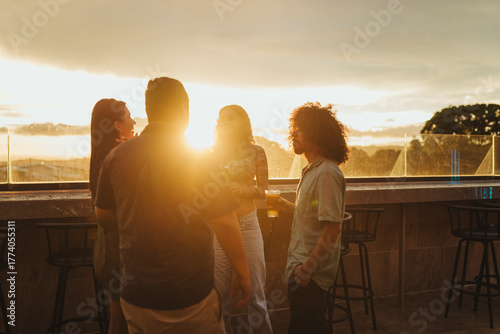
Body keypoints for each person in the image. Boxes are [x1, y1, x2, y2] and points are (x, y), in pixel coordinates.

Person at [94, 77, 251, 334]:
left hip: (135, 297)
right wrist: (243, 272)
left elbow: (103, 212)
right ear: (183, 111)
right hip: (188, 296)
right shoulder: (198, 158)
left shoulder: (117, 157)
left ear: (148, 111)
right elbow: (223, 219)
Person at [277, 102, 349, 334]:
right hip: (301, 267)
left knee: (304, 326)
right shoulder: (313, 169)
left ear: (316, 133)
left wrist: (307, 268)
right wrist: (289, 207)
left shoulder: (326, 173)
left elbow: (332, 230)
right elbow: (314, 212)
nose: (293, 133)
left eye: (300, 128)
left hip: (310, 274)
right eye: (294, 128)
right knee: (310, 325)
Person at [213, 105, 273, 334]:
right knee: (218, 296)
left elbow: (265, 190)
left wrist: (244, 189)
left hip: (248, 224)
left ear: (242, 122)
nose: (224, 122)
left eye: (230, 118)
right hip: (220, 227)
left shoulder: (256, 151)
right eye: (221, 119)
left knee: (257, 295)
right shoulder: (210, 153)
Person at [89, 98, 135, 334]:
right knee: (124, 323)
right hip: (121, 254)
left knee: (119, 321)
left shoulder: (101, 156)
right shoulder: (119, 157)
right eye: (129, 116)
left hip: (106, 252)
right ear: (117, 125)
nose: (134, 120)